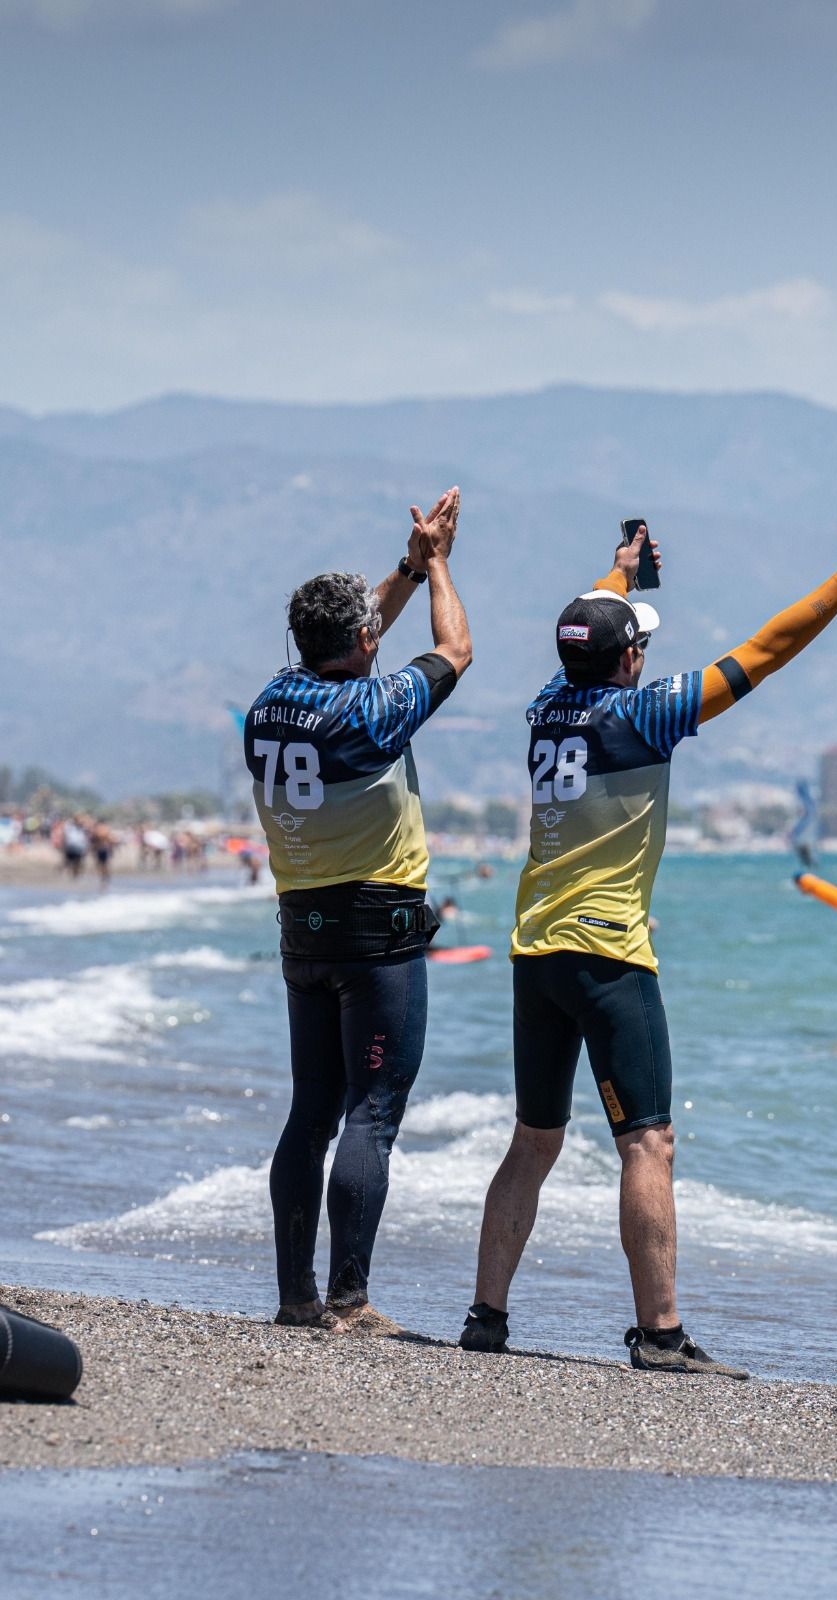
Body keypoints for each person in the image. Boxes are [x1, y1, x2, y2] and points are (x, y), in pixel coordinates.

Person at [463, 511, 837, 1373]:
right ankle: (660, 1335)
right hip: (609, 957)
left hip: (536, 952)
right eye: (639, 648)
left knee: (534, 1140)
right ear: (629, 659)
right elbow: (766, 651)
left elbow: (589, 625)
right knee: (648, 1142)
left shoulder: (545, 707)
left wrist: (620, 571)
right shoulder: (647, 717)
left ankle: (486, 1316)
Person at [244, 487, 472, 1333]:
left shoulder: (268, 704)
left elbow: (355, 629)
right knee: (370, 1112)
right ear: (368, 643)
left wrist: (408, 566)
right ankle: (350, 1299)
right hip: (377, 932)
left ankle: (295, 1298)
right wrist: (440, 564)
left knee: (311, 1110)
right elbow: (458, 647)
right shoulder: (373, 714)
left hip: (301, 929)